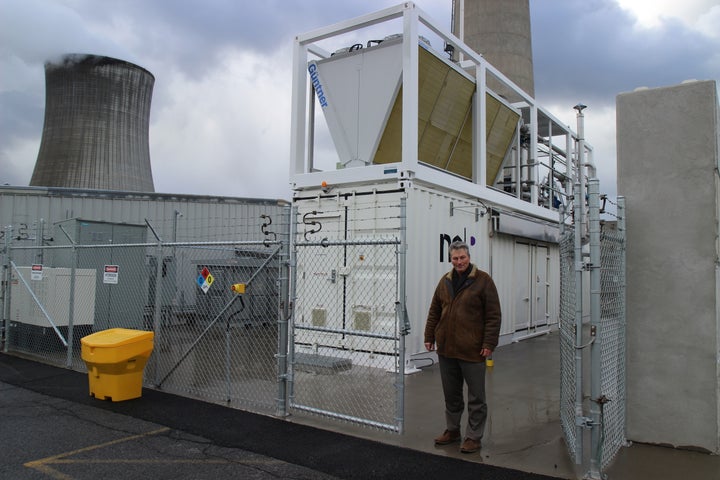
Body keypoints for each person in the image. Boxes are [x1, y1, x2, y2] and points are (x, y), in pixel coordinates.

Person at [424, 240, 502, 454]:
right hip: (447, 349)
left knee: (476, 396)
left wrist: (489, 343)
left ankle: (473, 437)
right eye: (455, 258)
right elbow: (434, 311)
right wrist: (429, 335)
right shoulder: (445, 281)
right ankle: (452, 430)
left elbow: (493, 315)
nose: (459, 262)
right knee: (451, 394)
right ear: (451, 259)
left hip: (473, 349)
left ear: (469, 257)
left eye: (462, 258)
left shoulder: (483, 281)